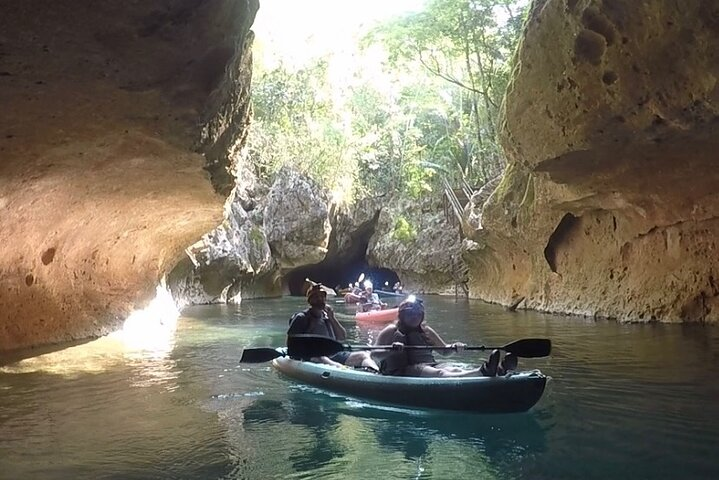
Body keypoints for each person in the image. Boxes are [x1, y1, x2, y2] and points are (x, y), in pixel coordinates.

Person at [374, 296, 518, 377]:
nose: (415, 317)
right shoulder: (391, 331)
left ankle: (498, 371)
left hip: (428, 366)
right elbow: (374, 355)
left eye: (418, 314)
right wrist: (390, 351)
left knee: (455, 369)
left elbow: (444, 351)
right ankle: (483, 372)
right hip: (403, 372)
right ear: (402, 316)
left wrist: (455, 347)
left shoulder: (426, 330)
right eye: (410, 314)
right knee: (440, 373)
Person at [288, 283, 379, 371]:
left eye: (322, 296)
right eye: (316, 297)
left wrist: (332, 318)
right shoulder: (302, 318)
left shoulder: (327, 316)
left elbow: (342, 337)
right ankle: (344, 370)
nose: (320, 299)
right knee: (322, 358)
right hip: (315, 355)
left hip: (333, 354)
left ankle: (376, 373)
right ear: (310, 301)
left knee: (364, 355)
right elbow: (291, 343)